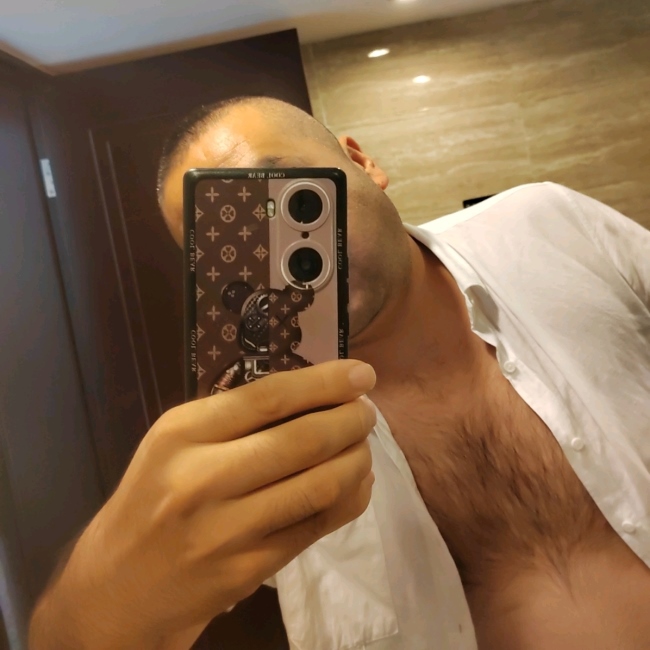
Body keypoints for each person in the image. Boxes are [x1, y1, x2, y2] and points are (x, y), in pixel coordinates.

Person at [31, 95, 650, 650]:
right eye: (231, 236)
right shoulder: (258, 448)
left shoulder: (550, 227)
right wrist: (112, 592)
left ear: (360, 161)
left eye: (293, 196)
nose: (279, 247)